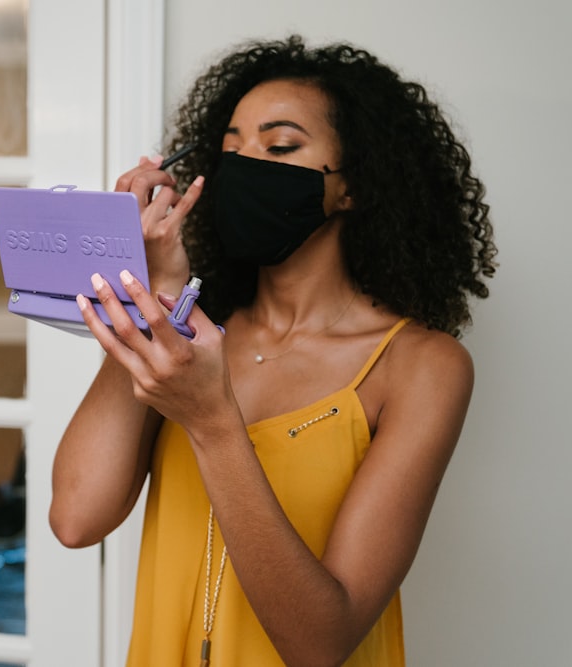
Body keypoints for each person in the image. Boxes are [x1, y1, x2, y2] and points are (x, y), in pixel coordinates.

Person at [48, 35, 497, 666]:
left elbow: (321, 642)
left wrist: (210, 422)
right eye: (229, 151)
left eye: (280, 146)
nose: (244, 167)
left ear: (353, 187)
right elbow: (75, 518)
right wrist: (147, 294)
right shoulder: (191, 338)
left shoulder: (422, 366)